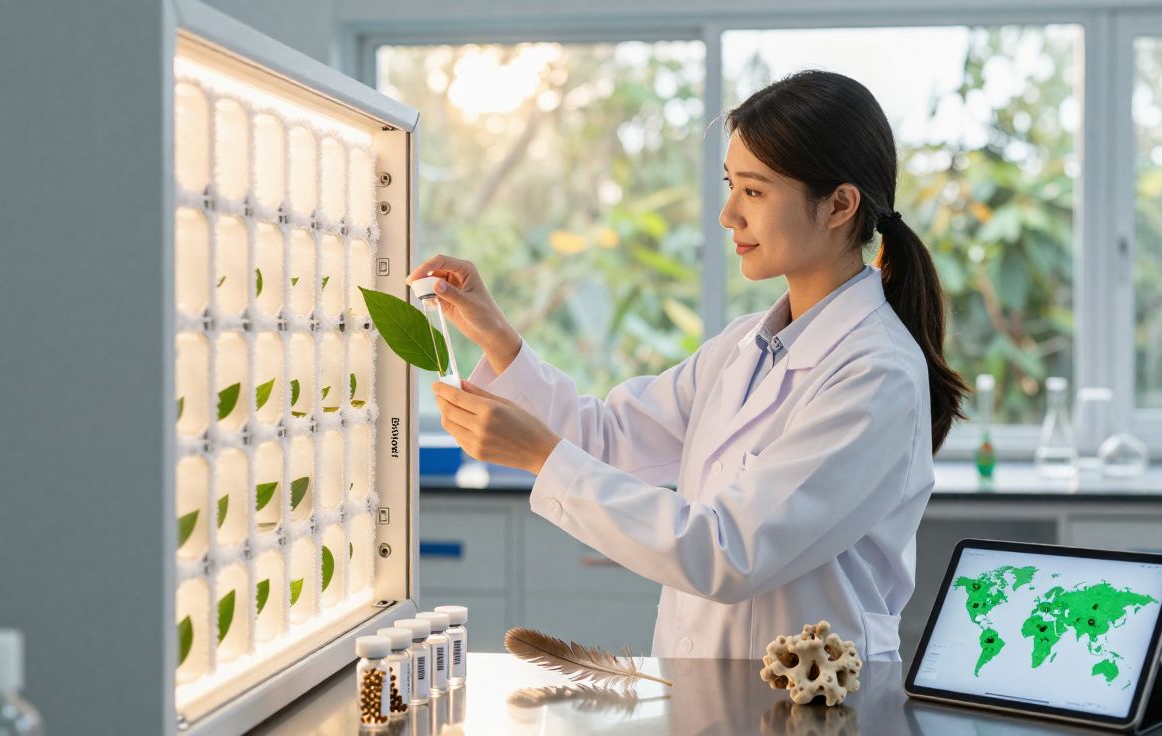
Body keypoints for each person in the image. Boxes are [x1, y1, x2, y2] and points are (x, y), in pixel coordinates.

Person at [409, 69, 969, 660]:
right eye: (731, 185)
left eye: (754, 191)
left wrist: (540, 455)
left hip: (816, 707)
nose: (728, 214)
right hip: (709, 695)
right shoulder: (743, 347)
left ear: (839, 205)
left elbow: (728, 551)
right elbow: (608, 437)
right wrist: (497, 338)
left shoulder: (876, 373)